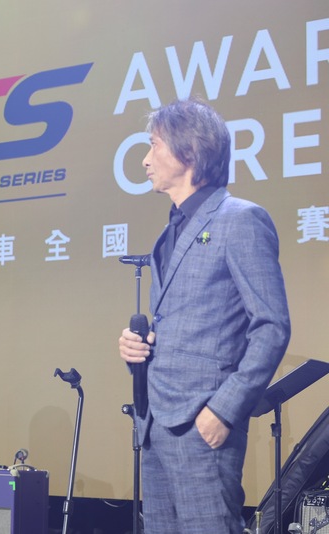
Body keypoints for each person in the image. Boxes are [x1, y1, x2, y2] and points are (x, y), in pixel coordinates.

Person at [118, 98, 290, 533]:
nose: (144, 160)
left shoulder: (241, 220)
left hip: (203, 424)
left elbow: (272, 327)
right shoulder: (168, 233)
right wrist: (139, 349)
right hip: (155, 423)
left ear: (189, 152)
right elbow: (182, 324)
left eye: (154, 145)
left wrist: (224, 410)